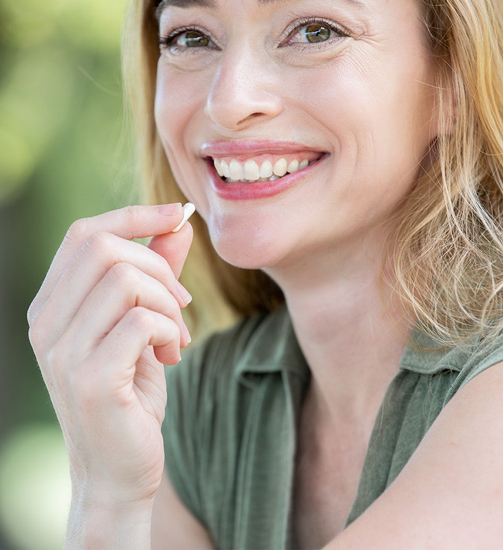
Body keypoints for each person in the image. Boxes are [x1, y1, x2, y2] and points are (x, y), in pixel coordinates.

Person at [28, 0, 503, 547]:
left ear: (453, 80)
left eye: (315, 30)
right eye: (190, 38)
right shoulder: (192, 412)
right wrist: (107, 492)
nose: (229, 102)